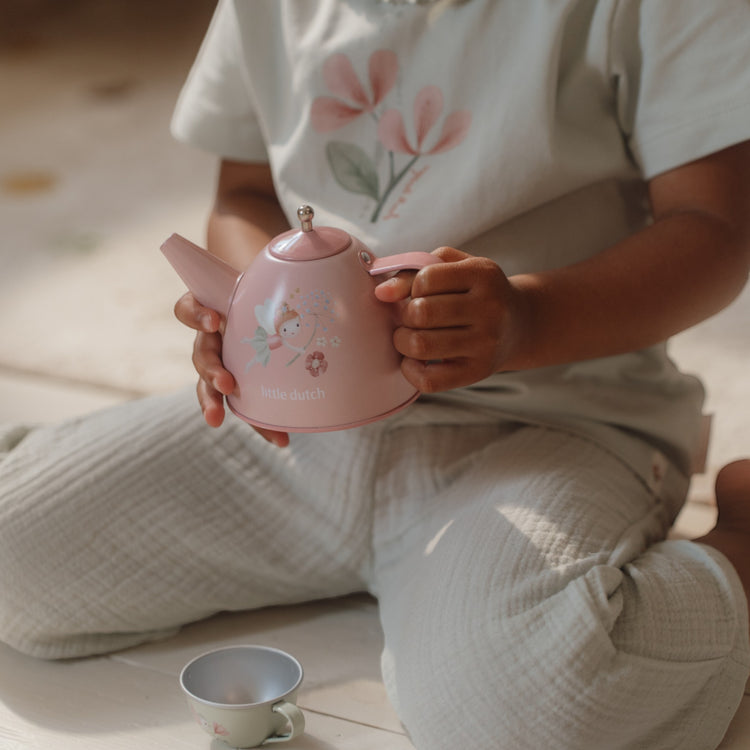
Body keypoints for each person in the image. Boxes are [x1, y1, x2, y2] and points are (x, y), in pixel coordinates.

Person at [1, 1, 750, 747]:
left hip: (550, 423)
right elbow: (246, 194)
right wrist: (245, 324)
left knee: (533, 712)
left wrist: (528, 320)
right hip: (304, 435)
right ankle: (415, 580)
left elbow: (716, 231)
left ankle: (740, 548)